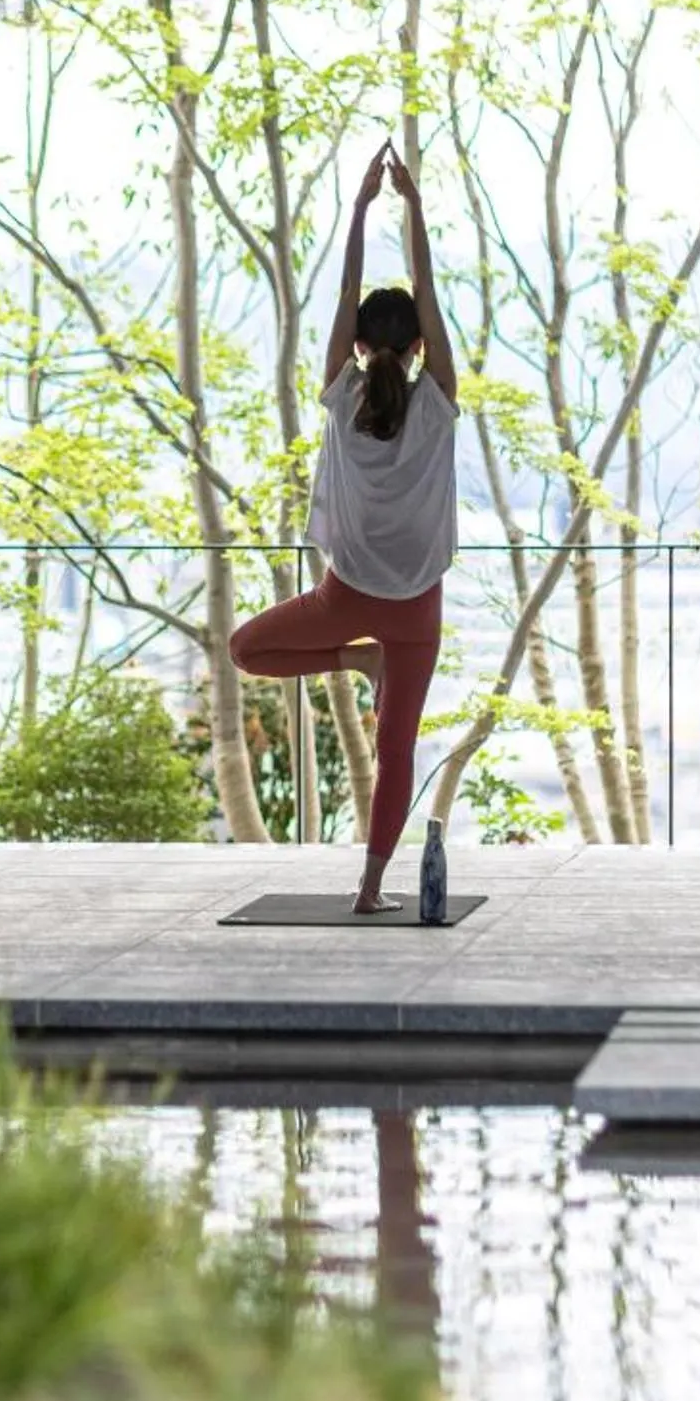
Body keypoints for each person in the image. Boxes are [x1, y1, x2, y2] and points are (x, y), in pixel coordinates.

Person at [230, 140, 459, 912]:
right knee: (396, 752)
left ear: (359, 347)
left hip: (346, 596)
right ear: (421, 345)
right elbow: (428, 293)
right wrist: (413, 207)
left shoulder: (340, 394)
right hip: (417, 608)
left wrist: (360, 209)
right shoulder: (438, 400)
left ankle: (357, 658)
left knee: (245, 651)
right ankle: (369, 889)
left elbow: (346, 291)